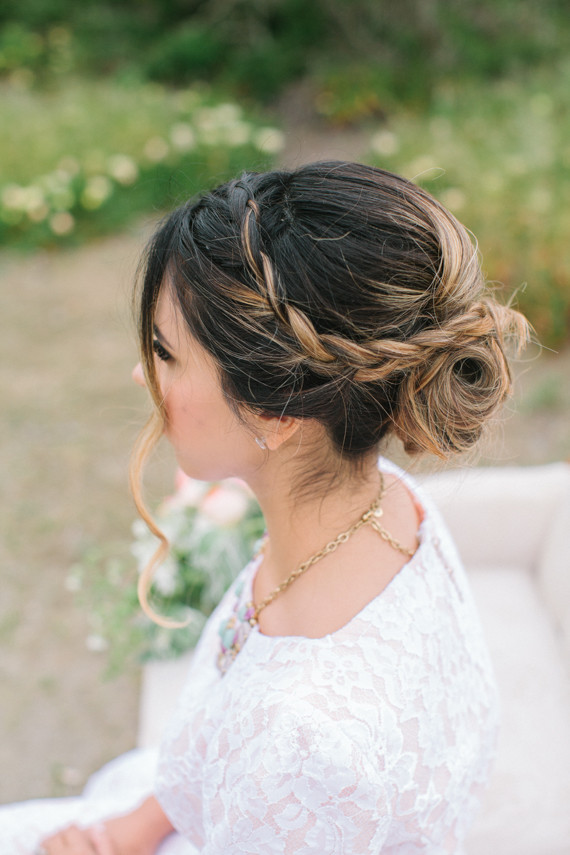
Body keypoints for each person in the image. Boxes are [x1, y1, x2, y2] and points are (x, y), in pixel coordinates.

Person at [1, 161, 528, 853]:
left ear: (276, 411)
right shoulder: (389, 505)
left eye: (165, 352)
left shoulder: (302, 750)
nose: (141, 373)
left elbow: (282, 766)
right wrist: (136, 826)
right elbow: (227, 725)